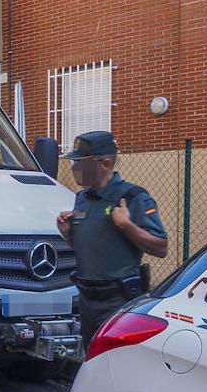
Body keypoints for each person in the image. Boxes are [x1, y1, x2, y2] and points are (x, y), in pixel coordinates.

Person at [57, 131, 168, 347]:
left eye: (80, 163)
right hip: (86, 301)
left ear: (105, 163)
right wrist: (68, 232)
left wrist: (127, 226)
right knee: (91, 362)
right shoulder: (82, 199)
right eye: (73, 162)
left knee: (115, 363)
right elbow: (91, 247)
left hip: (117, 301)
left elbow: (161, 247)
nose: (74, 169)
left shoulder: (132, 197)